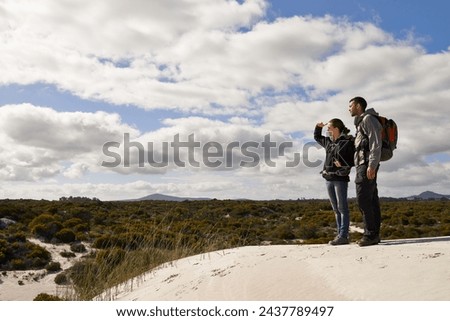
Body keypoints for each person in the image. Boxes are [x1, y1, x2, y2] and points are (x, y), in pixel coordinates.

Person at [314, 118, 355, 245]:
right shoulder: (328, 142)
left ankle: (343, 236)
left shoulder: (348, 142)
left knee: (342, 208)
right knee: (336, 209)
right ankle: (339, 235)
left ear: (336, 129)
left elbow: (354, 160)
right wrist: (318, 126)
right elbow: (317, 136)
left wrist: (342, 164)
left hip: (340, 179)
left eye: (329, 128)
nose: (327, 130)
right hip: (328, 179)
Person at [348, 96, 382, 246]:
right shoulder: (361, 122)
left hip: (367, 164)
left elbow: (376, 142)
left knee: (363, 199)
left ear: (358, 106)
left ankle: (370, 235)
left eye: (350, 106)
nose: (348, 108)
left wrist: (372, 165)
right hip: (363, 164)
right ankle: (374, 234)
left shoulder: (368, 119)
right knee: (371, 199)